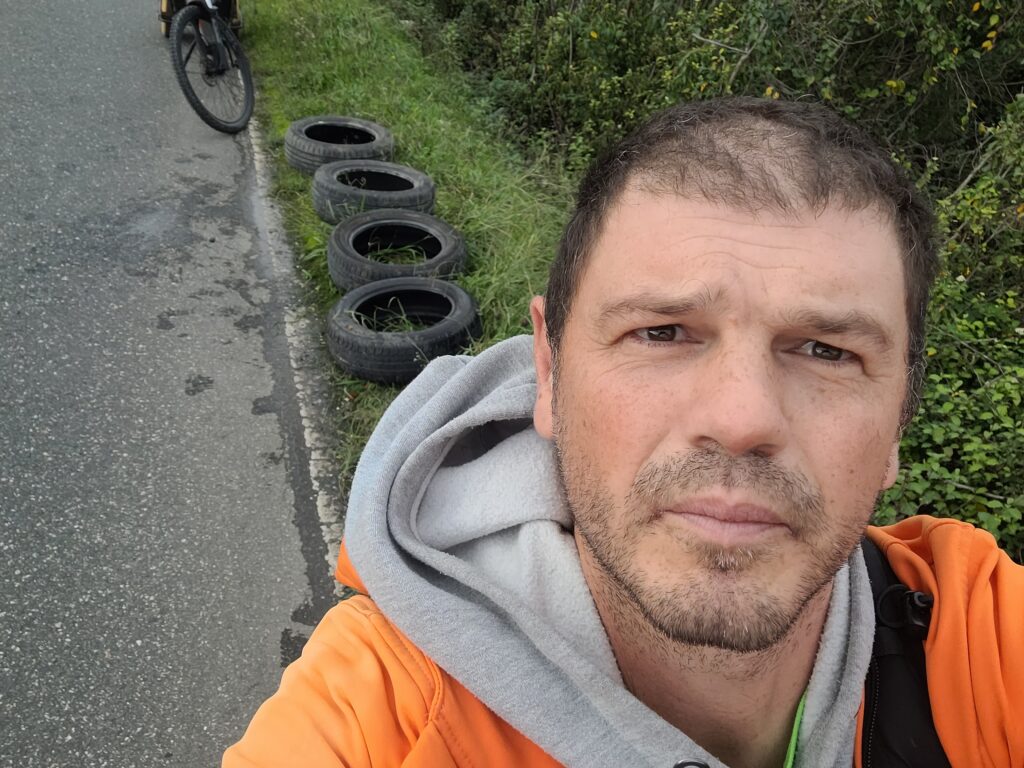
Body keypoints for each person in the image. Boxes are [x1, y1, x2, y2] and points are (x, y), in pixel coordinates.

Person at [222, 97, 1023, 768]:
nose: (741, 420)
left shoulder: (981, 648)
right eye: (662, 332)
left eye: (826, 351)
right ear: (548, 372)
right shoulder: (382, 721)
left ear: (899, 420)